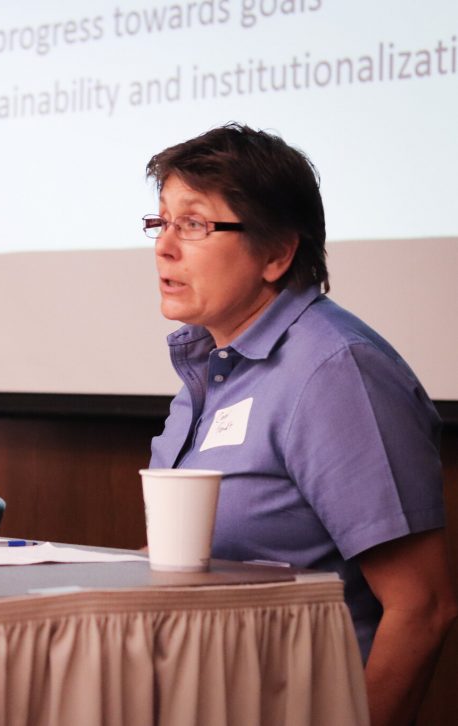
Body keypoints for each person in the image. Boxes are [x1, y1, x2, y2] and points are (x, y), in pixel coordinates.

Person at [144, 123, 456, 726]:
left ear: (278, 253)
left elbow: (424, 607)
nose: (164, 245)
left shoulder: (335, 372)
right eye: (160, 222)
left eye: (195, 224)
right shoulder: (212, 368)